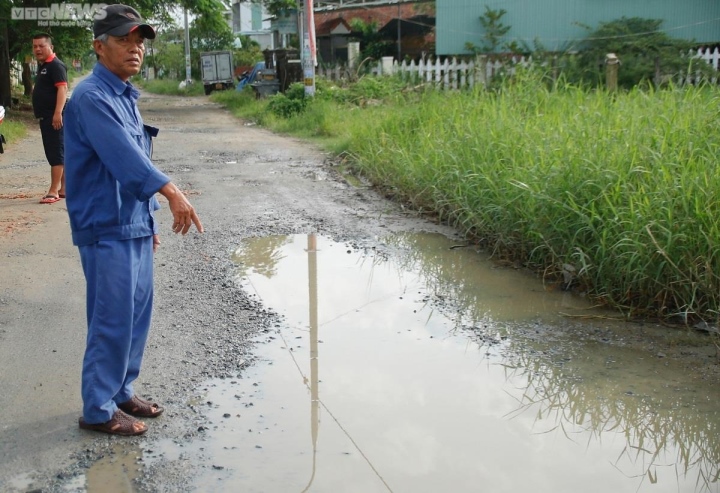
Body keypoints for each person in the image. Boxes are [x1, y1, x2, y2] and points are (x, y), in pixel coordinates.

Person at [63, 4, 204, 436]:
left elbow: (136, 156)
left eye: (139, 41)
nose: (135, 48)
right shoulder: (91, 97)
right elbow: (125, 160)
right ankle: (98, 409)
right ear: (99, 46)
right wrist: (172, 191)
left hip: (132, 224)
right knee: (112, 319)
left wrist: (149, 217)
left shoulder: (124, 95)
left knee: (135, 316)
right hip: (106, 227)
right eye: (124, 39)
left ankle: (122, 390)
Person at [31, 33, 67, 204]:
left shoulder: (55, 65)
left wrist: (57, 113)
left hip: (53, 117)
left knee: (55, 153)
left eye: (41, 46)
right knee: (60, 151)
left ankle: (53, 191)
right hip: (47, 116)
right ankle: (64, 188)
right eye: (35, 46)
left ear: (50, 47)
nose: (37, 49)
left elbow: (62, 89)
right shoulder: (44, 65)